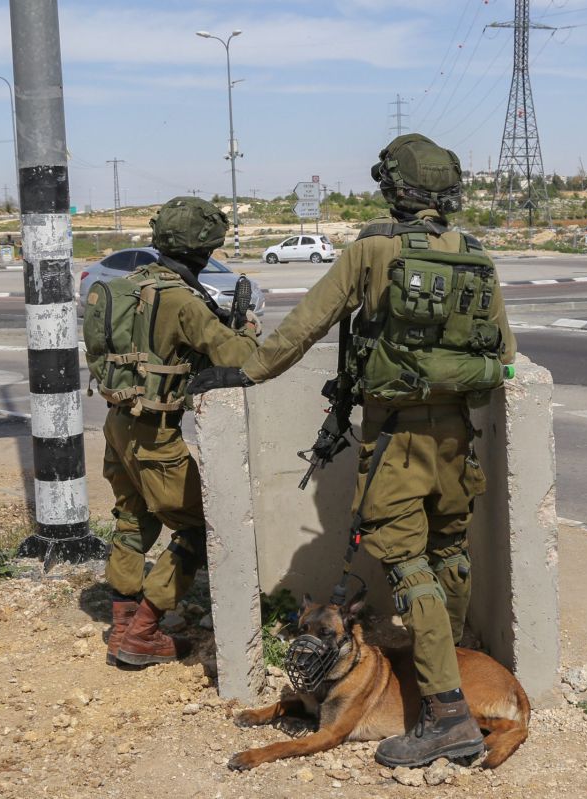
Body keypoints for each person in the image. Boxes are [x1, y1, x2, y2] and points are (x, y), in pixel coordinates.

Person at [190, 134, 515, 768]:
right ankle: (435, 688)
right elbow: (501, 356)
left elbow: (304, 325)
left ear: (393, 189)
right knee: (448, 553)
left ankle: (447, 714)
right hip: (457, 437)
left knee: (406, 564)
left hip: (396, 439)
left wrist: (243, 372)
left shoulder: (373, 249)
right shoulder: (476, 255)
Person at [84, 196, 260, 668]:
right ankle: (144, 630)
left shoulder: (127, 286)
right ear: (203, 250)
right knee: (199, 527)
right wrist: (247, 326)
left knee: (132, 519)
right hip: (155, 436)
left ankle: (121, 624)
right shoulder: (181, 300)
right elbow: (237, 356)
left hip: (118, 426)